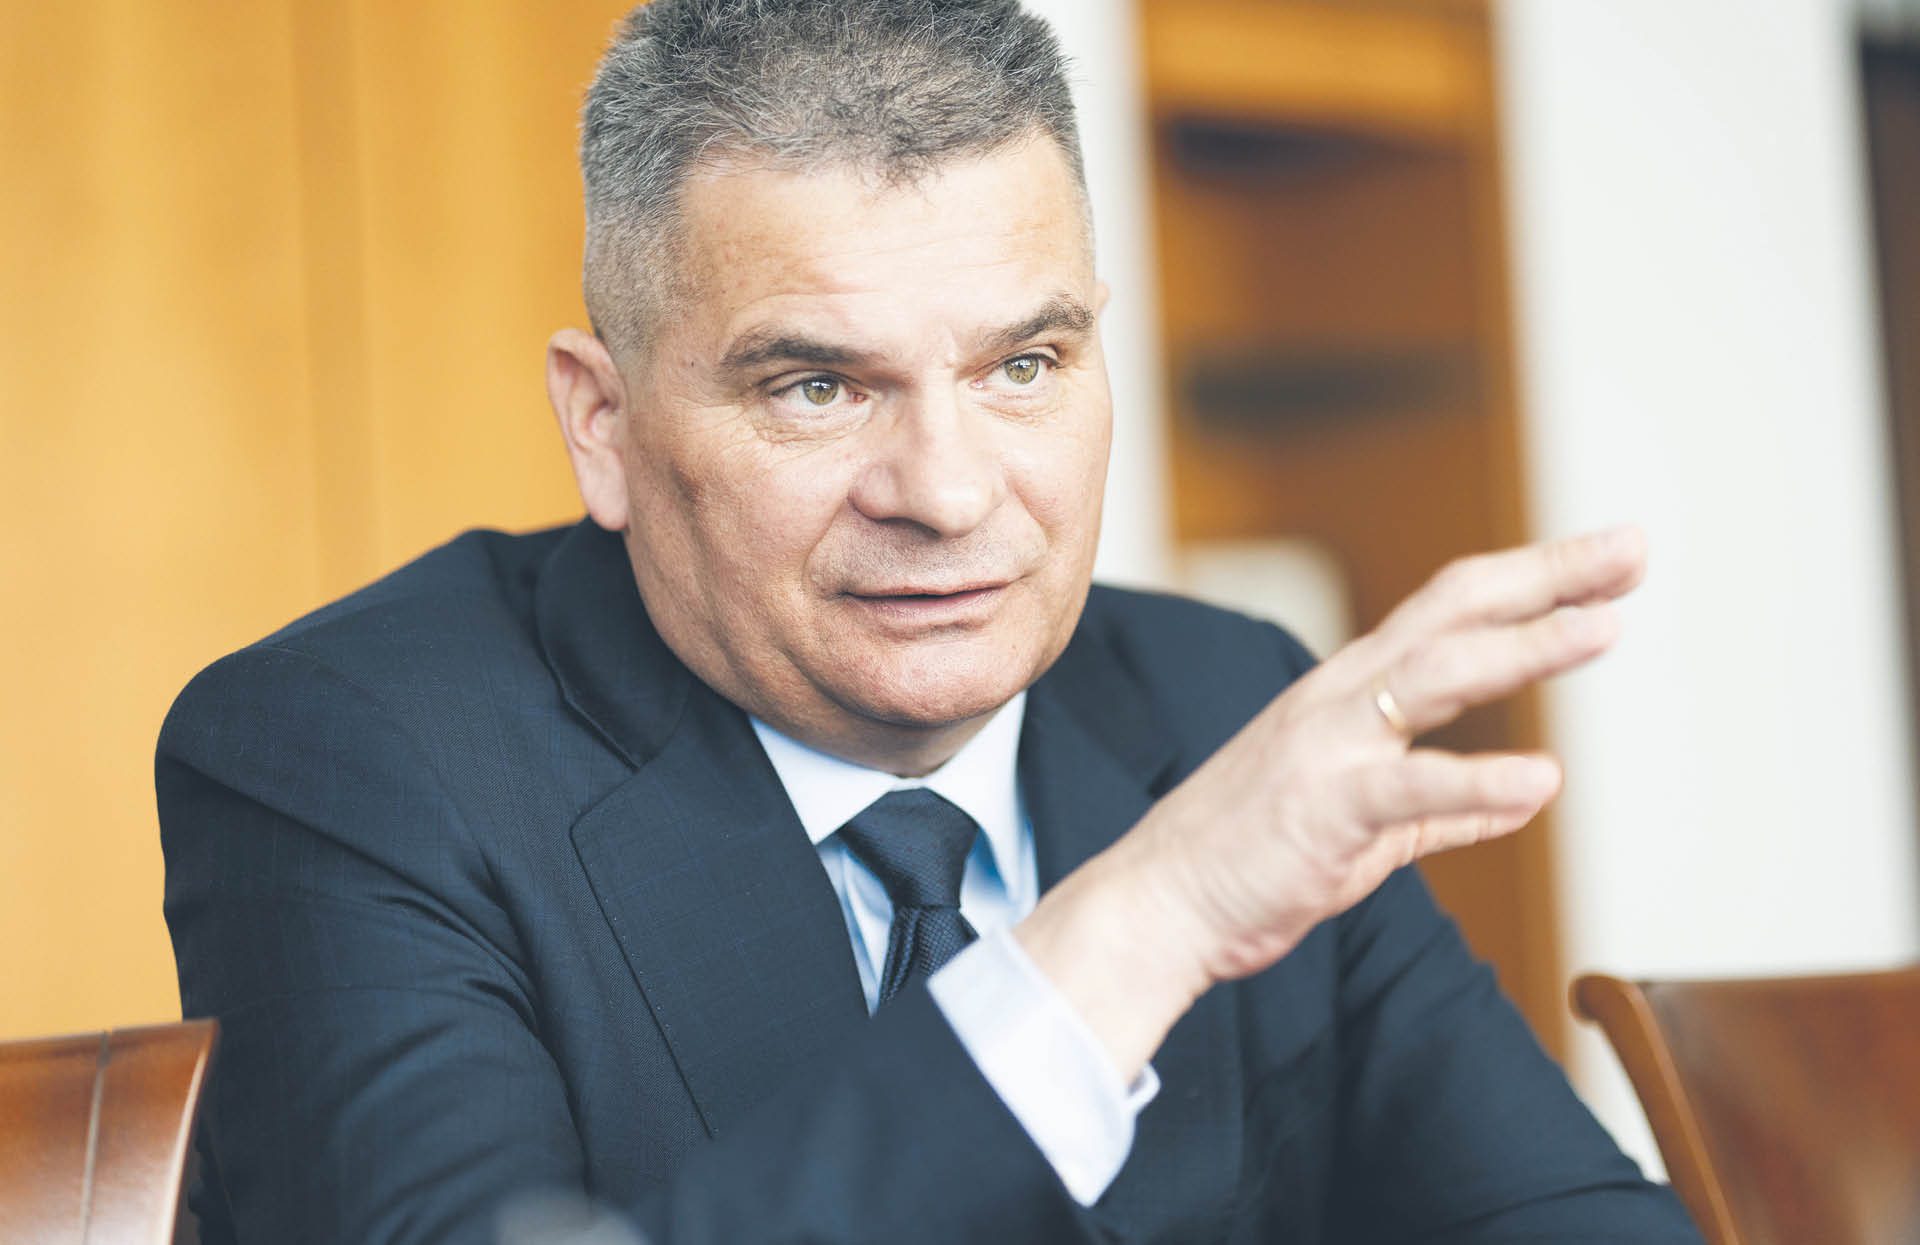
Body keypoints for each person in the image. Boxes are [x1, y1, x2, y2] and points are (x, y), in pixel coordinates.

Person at [157, 2, 1702, 1242]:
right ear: (603, 423)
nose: (951, 493)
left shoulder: (1229, 697)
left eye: (1024, 365)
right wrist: (1140, 923)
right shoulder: (350, 762)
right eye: (817, 386)